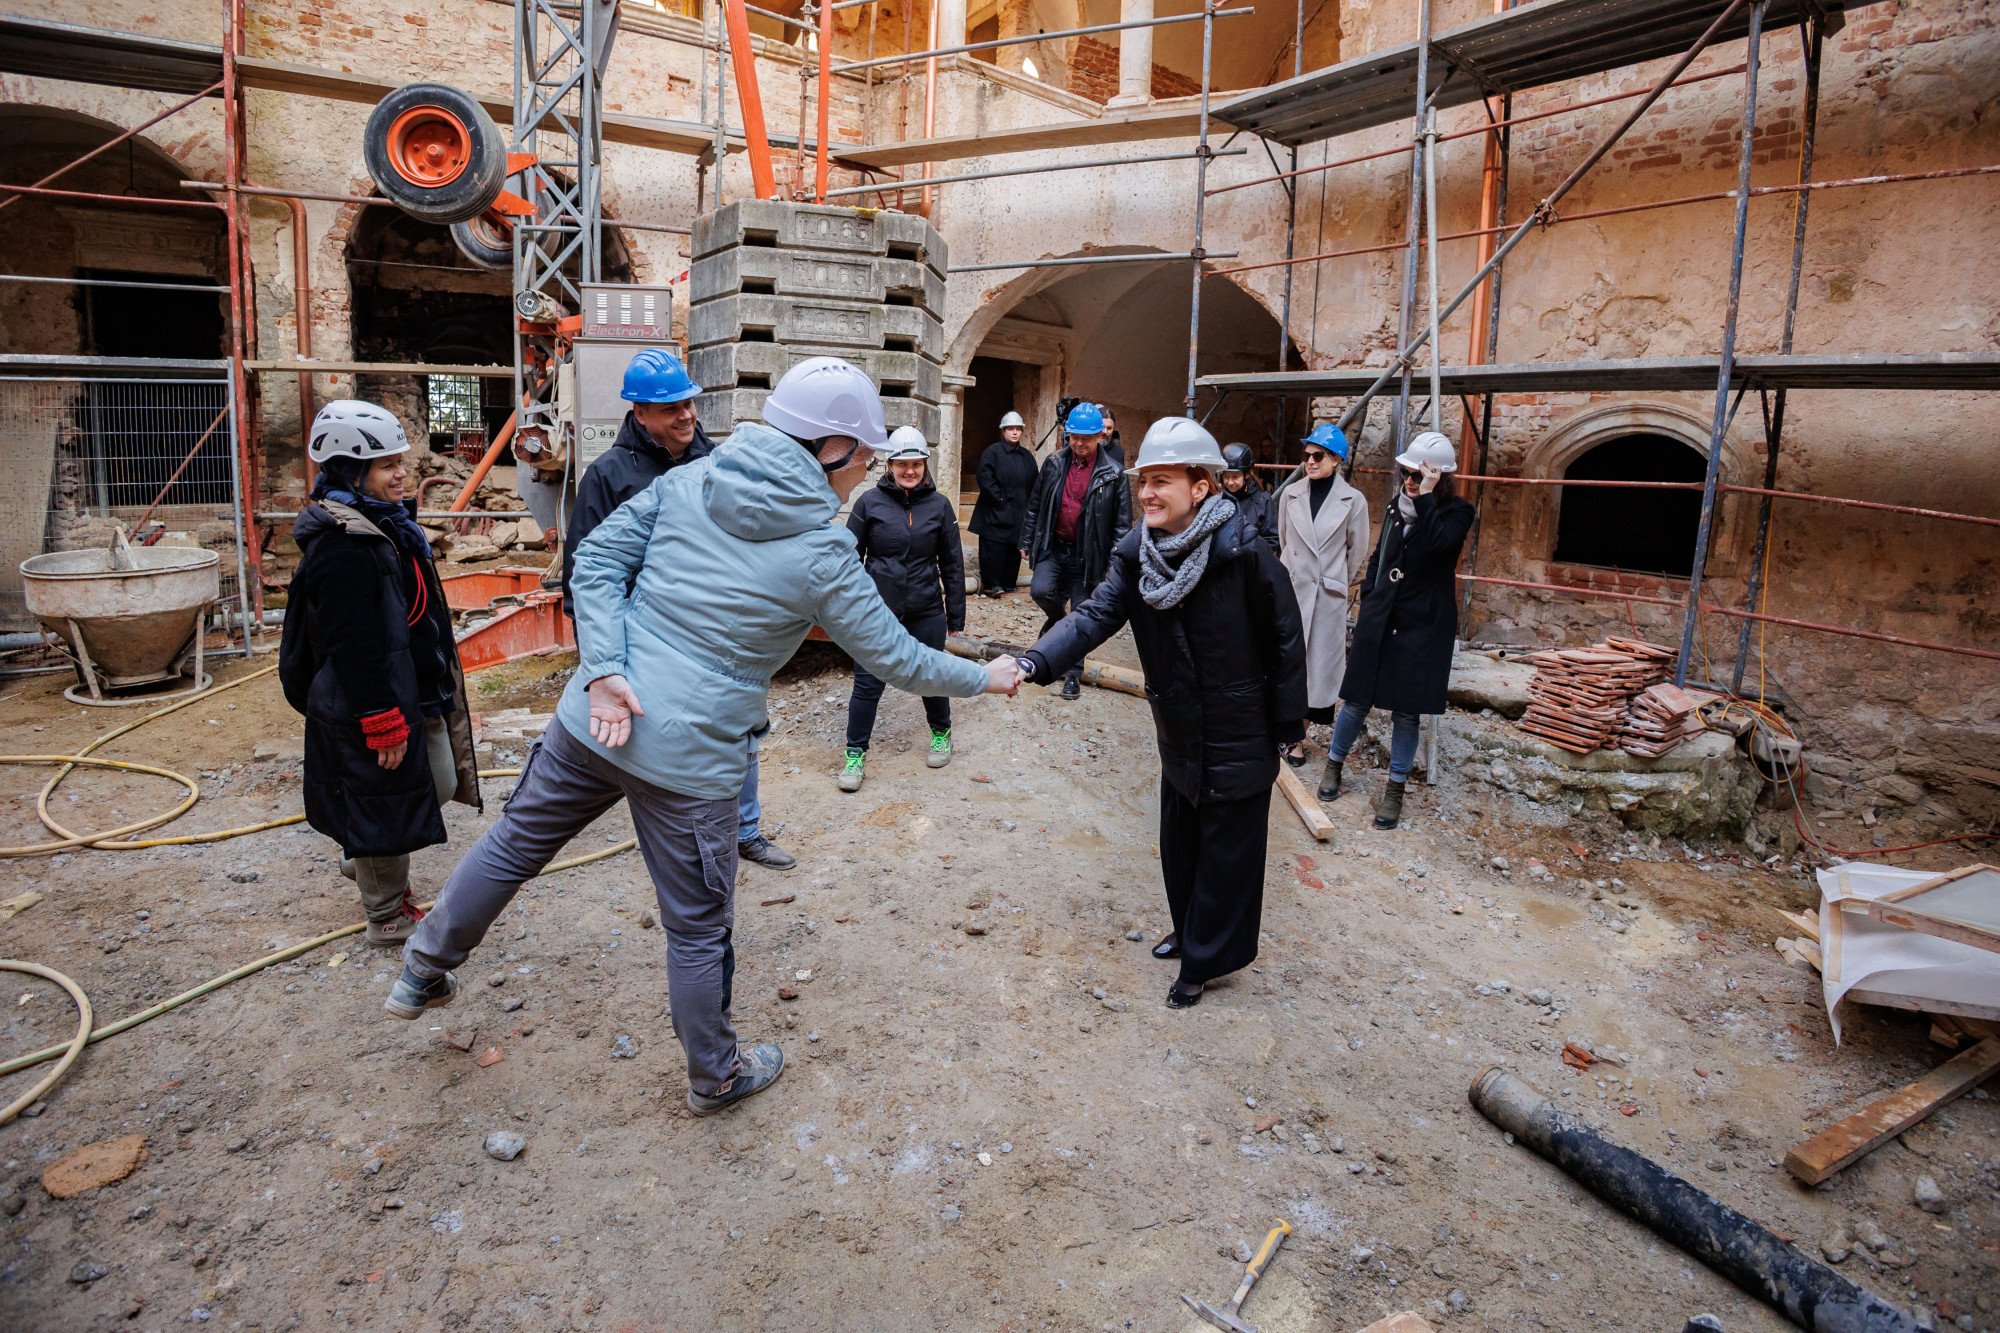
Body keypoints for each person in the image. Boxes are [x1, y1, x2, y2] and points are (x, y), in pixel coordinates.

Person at [387, 358, 1026, 1117]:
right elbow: (897, 658)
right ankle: (715, 1076)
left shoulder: (693, 479)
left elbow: (594, 560)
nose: (867, 472)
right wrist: (984, 677)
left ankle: (422, 969)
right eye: (864, 455)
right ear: (831, 450)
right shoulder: (822, 552)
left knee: (513, 843)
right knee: (696, 928)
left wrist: (604, 668)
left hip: (594, 718)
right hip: (689, 757)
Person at [1017, 417, 1305, 1009]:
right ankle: (1190, 929)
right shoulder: (1136, 556)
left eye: (1161, 481)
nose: (1146, 493)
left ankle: (1205, 959)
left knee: (1227, 854)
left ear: (1200, 487)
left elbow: (1285, 639)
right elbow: (1093, 616)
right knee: (1181, 842)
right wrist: (1034, 661)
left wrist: (1286, 725)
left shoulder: (1245, 554)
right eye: (1143, 480)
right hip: (1179, 725)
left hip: (1238, 727)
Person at [559, 347, 795, 872]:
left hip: (712, 626)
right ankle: (664, 829)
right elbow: (585, 569)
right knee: (643, 735)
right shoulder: (609, 475)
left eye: (689, 403)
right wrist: (600, 661)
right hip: (640, 632)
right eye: (671, 409)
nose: (687, 415)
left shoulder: (715, 462)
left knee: (735, 730)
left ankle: (744, 831)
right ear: (640, 413)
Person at [280, 400, 480, 946]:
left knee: (437, 782)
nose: (402, 474)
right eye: (387, 465)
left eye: (400, 462)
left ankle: (364, 856)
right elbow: (353, 646)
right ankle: (386, 914)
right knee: (384, 806)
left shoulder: (386, 526)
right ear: (351, 471)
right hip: (373, 698)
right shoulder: (342, 546)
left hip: (411, 687)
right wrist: (379, 717)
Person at [1322, 430, 1473, 830]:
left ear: (1439, 476)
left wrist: (1426, 496)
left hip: (1421, 623)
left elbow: (1440, 545)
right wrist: (1371, 594)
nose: (1409, 480)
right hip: (1381, 615)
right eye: (1406, 472)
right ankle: (1334, 766)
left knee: (1406, 712)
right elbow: (1380, 555)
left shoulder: (1458, 512)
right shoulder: (1395, 507)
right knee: (1356, 699)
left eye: (1418, 474)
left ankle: (1395, 790)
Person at [839, 425, 966, 791]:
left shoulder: (939, 506)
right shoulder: (868, 503)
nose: (910, 471)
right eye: (902, 464)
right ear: (889, 465)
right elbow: (848, 559)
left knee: (933, 676)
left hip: (926, 608)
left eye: (916, 464)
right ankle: (855, 753)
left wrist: (955, 615)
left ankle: (941, 733)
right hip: (877, 611)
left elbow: (952, 562)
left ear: (925, 465)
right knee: (867, 683)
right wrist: (850, 609)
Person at [1276, 422, 1371, 798]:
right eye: (1307, 455)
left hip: (1326, 595)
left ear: (1336, 460)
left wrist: (1332, 582)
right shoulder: (1291, 494)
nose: (1310, 461)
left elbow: (1356, 552)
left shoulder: (1354, 501)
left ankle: (1298, 736)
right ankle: (1283, 731)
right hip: (1293, 589)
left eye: (1318, 456)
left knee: (1318, 669)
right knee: (1286, 662)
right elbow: (1286, 539)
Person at [1020, 400, 1131, 700]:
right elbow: (1035, 504)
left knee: (1082, 616)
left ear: (1099, 436)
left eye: (1086, 438)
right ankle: (1059, 621)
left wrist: (1115, 562)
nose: (1080, 443)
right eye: (1074, 437)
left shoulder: (1114, 473)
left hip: (1089, 555)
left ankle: (1073, 674)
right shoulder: (1054, 463)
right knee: (1041, 591)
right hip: (1055, 547)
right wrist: (1027, 540)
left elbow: (1122, 525)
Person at [968, 409, 1036, 597]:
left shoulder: (1027, 457)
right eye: (1010, 429)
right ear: (1003, 431)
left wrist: (1030, 506)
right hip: (994, 511)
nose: (1014, 432)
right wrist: (999, 500)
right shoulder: (992, 452)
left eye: (1018, 429)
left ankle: (1009, 583)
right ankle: (993, 585)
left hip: (1018, 512)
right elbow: (985, 479)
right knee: (994, 550)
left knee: (1013, 550)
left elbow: (1034, 484)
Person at [1220, 443, 1279, 555]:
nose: (1230, 482)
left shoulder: (1262, 500)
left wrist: (1251, 557)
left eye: (1235, 476)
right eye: (1226, 476)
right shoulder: (1217, 499)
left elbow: (1272, 539)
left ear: (1246, 474)